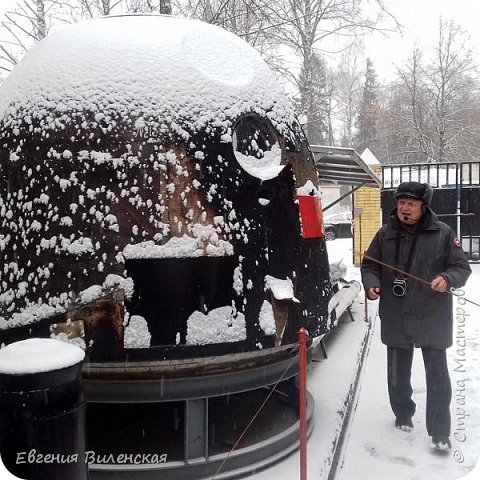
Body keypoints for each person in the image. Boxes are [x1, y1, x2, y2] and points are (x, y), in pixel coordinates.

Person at [361, 181, 471, 451]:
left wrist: (447, 278)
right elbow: (369, 264)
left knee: (437, 377)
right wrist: (372, 283)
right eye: (401, 203)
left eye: (411, 204)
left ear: (424, 207)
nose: (405, 208)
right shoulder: (384, 234)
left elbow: (461, 268)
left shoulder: (443, 234)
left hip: (432, 315)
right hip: (397, 314)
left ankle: (440, 431)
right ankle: (402, 413)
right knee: (397, 375)